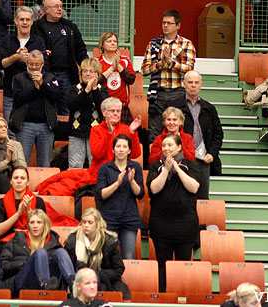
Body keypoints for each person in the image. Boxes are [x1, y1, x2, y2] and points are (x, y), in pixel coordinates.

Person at [147, 134, 201, 292]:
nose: (166, 148)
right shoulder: (155, 166)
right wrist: (166, 170)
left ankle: (182, 297)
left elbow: (194, 187)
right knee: (162, 266)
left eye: (170, 145)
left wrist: (176, 168)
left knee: (183, 267)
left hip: (185, 226)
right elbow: (154, 189)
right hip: (161, 224)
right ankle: (164, 297)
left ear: (179, 147)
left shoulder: (191, 165)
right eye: (164, 145)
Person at [141, 10, 197, 140]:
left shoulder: (186, 44)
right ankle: (155, 160)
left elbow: (189, 69)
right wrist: (161, 64)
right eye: (164, 23)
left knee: (177, 131)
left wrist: (171, 63)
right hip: (157, 93)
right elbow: (144, 70)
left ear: (178, 26)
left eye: (169, 23)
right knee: (154, 133)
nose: (165, 26)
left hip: (177, 92)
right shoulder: (154, 44)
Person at [172, 70, 224, 198]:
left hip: (203, 160)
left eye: (196, 82)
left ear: (201, 85)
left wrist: (212, 153)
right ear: (184, 84)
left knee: (202, 198)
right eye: (190, 82)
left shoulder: (209, 108)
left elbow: (218, 133)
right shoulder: (174, 106)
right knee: (181, 196)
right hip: (181, 159)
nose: (193, 85)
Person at [32, 0, 88, 115]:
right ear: (46, 9)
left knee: (66, 107)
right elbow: (32, 48)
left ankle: (65, 133)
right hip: (45, 73)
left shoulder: (70, 27)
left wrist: (86, 66)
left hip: (65, 74)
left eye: (61, 7)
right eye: (56, 7)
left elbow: (80, 50)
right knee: (45, 106)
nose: (60, 9)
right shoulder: (36, 27)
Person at [0, 209, 75, 295]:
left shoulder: (53, 242)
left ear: (44, 225)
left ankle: (74, 285)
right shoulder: (17, 240)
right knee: (40, 252)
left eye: (39, 222)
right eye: (32, 223)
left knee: (61, 252)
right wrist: (25, 263)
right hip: (24, 280)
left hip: (51, 282)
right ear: (28, 225)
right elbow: (3, 264)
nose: (35, 226)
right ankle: (45, 286)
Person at [0, 6, 47, 130]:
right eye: (21, 19)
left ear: (32, 22)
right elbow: (0, 64)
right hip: (11, 94)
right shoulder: (7, 40)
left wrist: (29, 58)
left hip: (33, 94)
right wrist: (16, 57)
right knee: (11, 130)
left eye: (27, 20)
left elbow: (44, 64)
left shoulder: (39, 41)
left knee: (30, 131)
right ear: (16, 21)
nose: (24, 22)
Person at [96, 134, 144, 260]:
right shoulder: (105, 168)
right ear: (113, 149)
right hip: (109, 218)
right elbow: (101, 194)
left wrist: (132, 181)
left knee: (128, 256)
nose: (121, 149)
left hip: (129, 218)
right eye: (118, 146)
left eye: (124, 147)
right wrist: (117, 183)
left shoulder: (135, 167)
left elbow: (140, 194)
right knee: (106, 257)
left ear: (129, 150)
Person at [64, 208, 129, 299]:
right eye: (84, 222)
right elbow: (69, 268)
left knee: (116, 291)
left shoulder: (109, 241)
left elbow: (118, 269)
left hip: (105, 278)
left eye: (90, 222)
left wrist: (98, 275)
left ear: (97, 224)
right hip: (79, 279)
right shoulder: (73, 240)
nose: (86, 225)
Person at [9, 50, 59, 167]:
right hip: (25, 125)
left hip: (46, 126)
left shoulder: (51, 78)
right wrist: (35, 89)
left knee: (45, 163)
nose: (34, 67)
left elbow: (55, 97)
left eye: (37, 64)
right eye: (31, 64)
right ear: (26, 63)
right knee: (22, 163)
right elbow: (18, 99)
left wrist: (42, 84)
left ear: (42, 64)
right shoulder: (18, 78)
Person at [66, 58, 108, 169]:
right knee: (74, 166)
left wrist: (94, 89)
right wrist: (86, 91)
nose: (87, 74)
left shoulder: (102, 90)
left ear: (97, 74)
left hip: (96, 134)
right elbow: (71, 105)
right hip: (76, 133)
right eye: (84, 71)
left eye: (91, 71)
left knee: (95, 166)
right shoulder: (74, 89)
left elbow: (103, 109)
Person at [90, 98, 142, 179]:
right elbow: (97, 155)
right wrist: (109, 134)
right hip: (101, 175)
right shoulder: (96, 130)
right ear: (104, 112)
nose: (116, 113)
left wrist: (132, 133)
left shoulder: (127, 129)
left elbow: (135, 154)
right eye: (112, 111)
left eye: (118, 111)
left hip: (123, 174)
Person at [0, 167, 46, 243]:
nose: (19, 181)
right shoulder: (1, 202)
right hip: (8, 243)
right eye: (15, 178)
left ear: (27, 182)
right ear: (11, 181)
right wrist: (18, 214)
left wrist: (29, 211)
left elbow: (43, 229)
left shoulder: (38, 201)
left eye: (22, 178)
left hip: (32, 241)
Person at [96, 31, 136, 124]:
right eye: (109, 41)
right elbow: (96, 81)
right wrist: (111, 68)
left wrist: (119, 67)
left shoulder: (125, 60)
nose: (113, 43)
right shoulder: (97, 62)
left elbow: (131, 79)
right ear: (102, 44)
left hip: (122, 106)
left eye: (115, 41)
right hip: (104, 106)